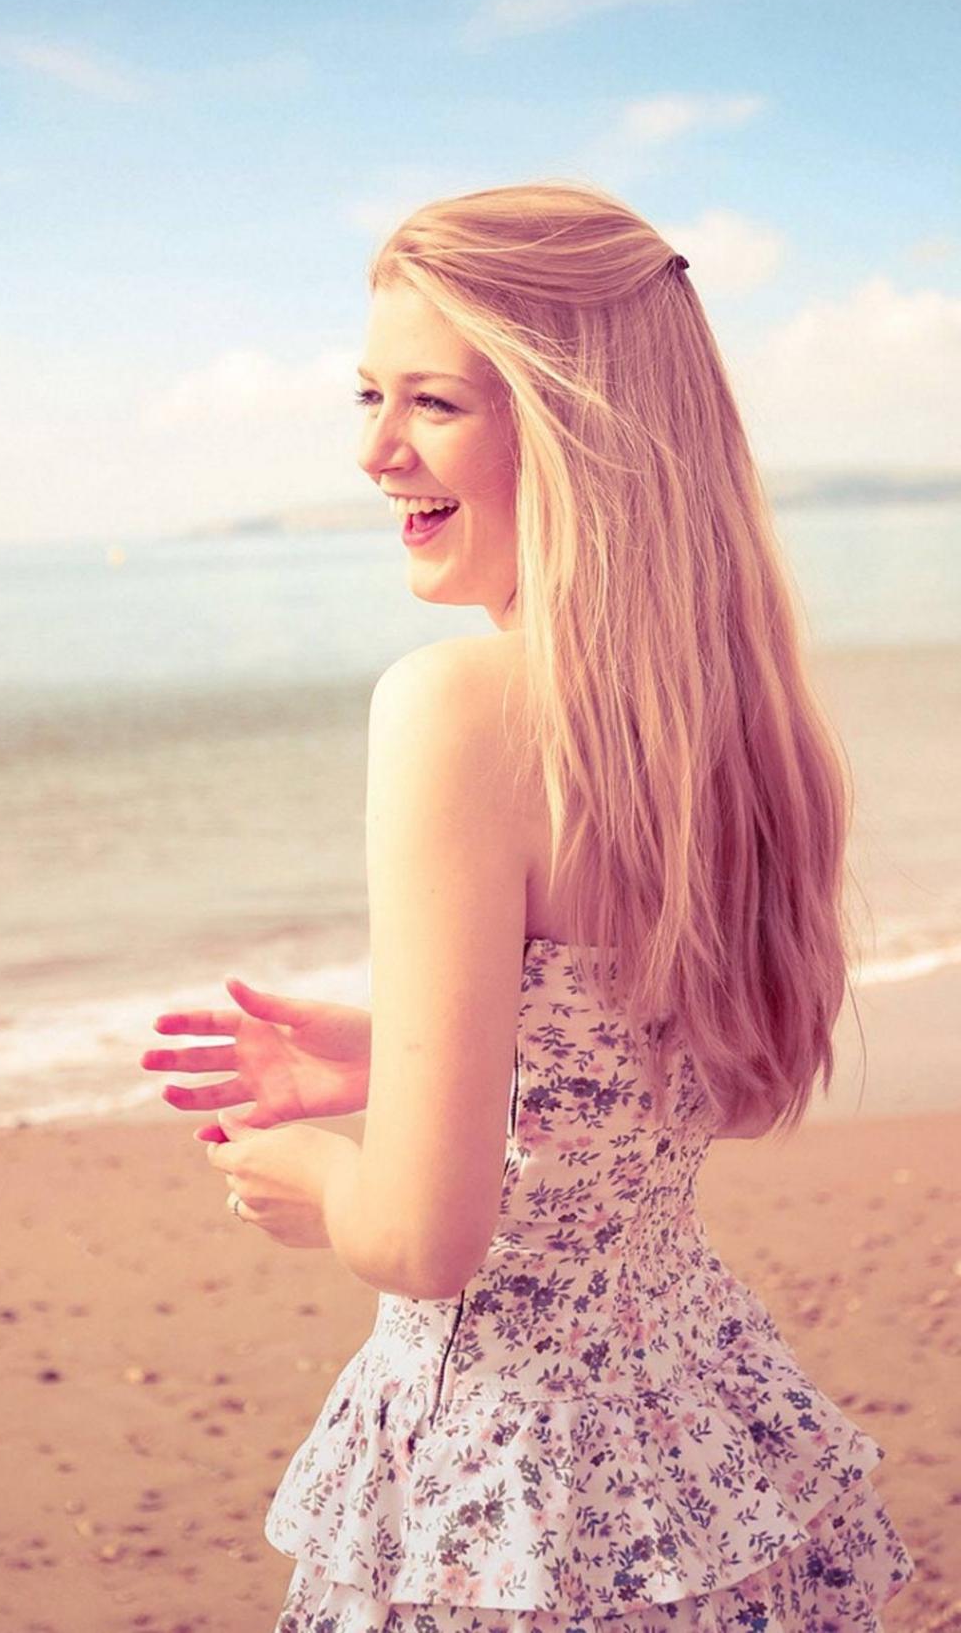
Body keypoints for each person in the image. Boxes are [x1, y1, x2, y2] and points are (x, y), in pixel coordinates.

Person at [141, 181, 916, 1630]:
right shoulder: (731, 722)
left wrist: (315, 1178)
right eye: (369, 394)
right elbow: (712, 1082)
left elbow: (426, 1243)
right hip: (702, 1440)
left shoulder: (455, 709)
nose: (374, 450)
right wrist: (408, 1058)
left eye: (432, 402)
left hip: (513, 1495)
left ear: (574, 432)